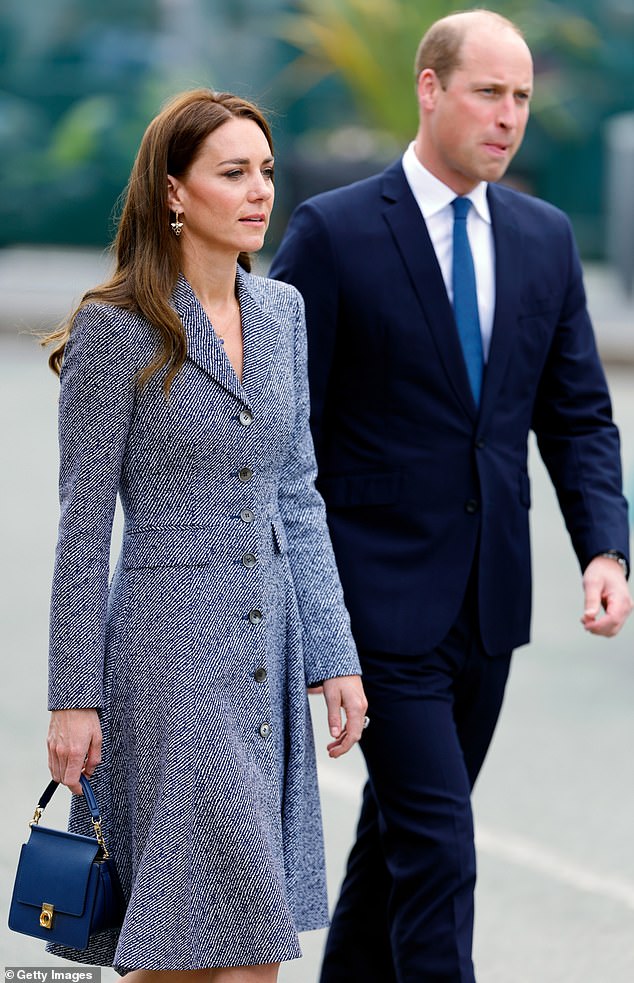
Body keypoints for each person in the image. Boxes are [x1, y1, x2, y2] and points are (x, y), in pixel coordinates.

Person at [269, 9, 633, 982]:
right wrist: (303, 609)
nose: (508, 115)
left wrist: (604, 547)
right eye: (488, 91)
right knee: (439, 850)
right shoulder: (334, 232)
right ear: (430, 89)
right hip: (374, 603)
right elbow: (276, 428)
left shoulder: (543, 238)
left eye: (520, 96)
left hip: (486, 604)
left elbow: (576, 414)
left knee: (393, 849)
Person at [42, 88, 367, 983]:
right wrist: (74, 696)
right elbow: (81, 523)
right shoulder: (116, 327)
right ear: (176, 193)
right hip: (166, 659)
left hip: (266, 655)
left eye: (265, 170)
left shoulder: (283, 313)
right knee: (200, 941)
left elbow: (297, 493)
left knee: (223, 945)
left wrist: (334, 656)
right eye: (233, 172)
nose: (260, 189)